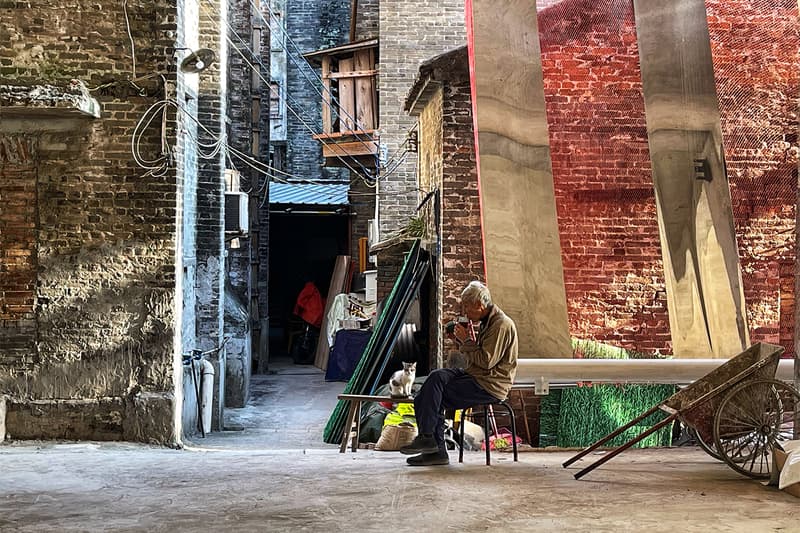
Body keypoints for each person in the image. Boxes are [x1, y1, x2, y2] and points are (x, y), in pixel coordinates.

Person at [400, 280, 518, 466]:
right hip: (476, 376)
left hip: (490, 384)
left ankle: (433, 446)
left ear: (480, 305)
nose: (466, 313)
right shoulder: (487, 321)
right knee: (435, 379)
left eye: (468, 308)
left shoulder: (501, 325)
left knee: (433, 396)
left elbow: (487, 362)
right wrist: (460, 341)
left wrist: (466, 341)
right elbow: (475, 357)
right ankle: (430, 442)